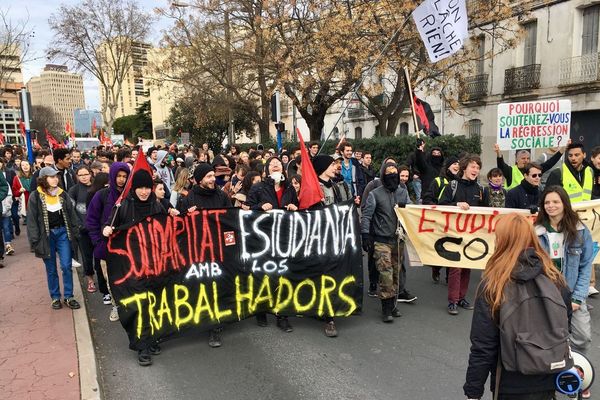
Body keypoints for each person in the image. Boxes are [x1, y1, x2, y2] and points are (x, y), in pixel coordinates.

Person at [464, 213, 571, 400]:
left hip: (509, 382)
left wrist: (473, 391)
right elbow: (565, 327)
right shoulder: (555, 279)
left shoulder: (493, 285)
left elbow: (483, 346)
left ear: (502, 241)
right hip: (548, 378)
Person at [535, 186, 594, 399]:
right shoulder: (536, 231)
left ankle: (579, 374)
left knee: (582, 337)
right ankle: (555, 380)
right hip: (546, 296)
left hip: (573, 295)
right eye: (547, 202)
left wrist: (578, 297)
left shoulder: (579, 230)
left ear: (564, 203)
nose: (551, 206)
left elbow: (586, 265)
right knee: (549, 340)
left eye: (555, 202)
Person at [104, 170, 166, 366]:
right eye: (140, 187)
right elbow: (109, 225)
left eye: (148, 187)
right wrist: (107, 229)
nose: (144, 191)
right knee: (139, 306)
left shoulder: (157, 205)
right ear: (134, 188)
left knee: (154, 303)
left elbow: (169, 226)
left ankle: (152, 338)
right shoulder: (123, 206)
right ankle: (142, 346)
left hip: (155, 264)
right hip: (132, 267)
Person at [178, 163, 231, 347]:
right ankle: (208, 323)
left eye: (212, 176)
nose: (212, 179)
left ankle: (216, 325)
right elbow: (179, 226)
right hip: (199, 252)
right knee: (204, 288)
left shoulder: (222, 196)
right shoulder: (189, 199)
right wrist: (186, 215)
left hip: (220, 251)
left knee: (218, 287)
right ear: (200, 179)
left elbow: (231, 220)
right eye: (208, 176)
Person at [247, 157, 298, 332]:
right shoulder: (258, 187)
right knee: (264, 274)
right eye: (271, 163)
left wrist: (293, 206)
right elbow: (247, 208)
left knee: (283, 275)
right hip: (263, 238)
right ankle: (261, 309)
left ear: (283, 168)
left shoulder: (289, 188)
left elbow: (297, 208)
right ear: (267, 170)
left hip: (283, 238)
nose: (275, 165)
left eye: (278, 163)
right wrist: (260, 206)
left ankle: (282, 314)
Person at [361, 162, 411, 322]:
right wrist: (365, 235)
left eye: (395, 173)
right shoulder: (375, 194)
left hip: (398, 240)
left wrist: (406, 207)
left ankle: (393, 304)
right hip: (381, 240)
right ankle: (386, 308)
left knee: (396, 273)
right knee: (386, 274)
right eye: (389, 173)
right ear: (383, 175)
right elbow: (367, 216)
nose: (393, 176)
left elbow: (412, 213)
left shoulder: (403, 193)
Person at [27, 167, 81, 310]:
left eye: (56, 176)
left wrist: (76, 232)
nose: (55, 179)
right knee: (51, 269)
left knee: (66, 266)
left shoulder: (63, 195)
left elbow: (72, 215)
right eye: (51, 177)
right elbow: (32, 220)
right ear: (44, 179)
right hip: (46, 236)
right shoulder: (35, 196)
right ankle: (55, 297)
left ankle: (69, 296)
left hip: (63, 233)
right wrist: (34, 240)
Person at [439, 154, 484, 315]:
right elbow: (440, 206)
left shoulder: (479, 189)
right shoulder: (452, 185)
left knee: (467, 268)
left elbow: (485, 211)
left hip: (472, 235)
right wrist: (456, 205)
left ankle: (461, 297)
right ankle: (452, 301)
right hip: (454, 233)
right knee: (455, 268)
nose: (476, 170)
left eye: (478, 168)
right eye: (473, 166)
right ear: (464, 167)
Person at [86, 162, 130, 323]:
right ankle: (116, 306)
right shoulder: (101, 195)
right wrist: (98, 241)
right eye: (118, 176)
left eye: (125, 176)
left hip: (127, 247)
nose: (121, 179)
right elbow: (91, 221)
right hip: (106, 247)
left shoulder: (130, 196)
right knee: (111, 280)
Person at [69, 166, 96, 293]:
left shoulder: (97, 188)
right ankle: (90, 280)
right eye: (81, 175)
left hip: (97, 229)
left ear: (90, 174)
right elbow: (71, 211)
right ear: (77, 177)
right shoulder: (74, 190)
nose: (84, 177)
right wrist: (79, 225)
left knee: (100, 255)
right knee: (87, 256)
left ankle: (103, 279)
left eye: (86, 174)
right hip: (83, 230)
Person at [495, 143, 564, 190]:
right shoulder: (510, 171)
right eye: (523, 158)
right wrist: (498, 153)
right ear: (516, 159)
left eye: (528, 158)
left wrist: (561, 151)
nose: (526, 160)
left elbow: (549, 164)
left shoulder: (534, 169)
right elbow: (501, 165)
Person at [12, 160, 32, 226]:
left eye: (26, 164)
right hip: (24, 203)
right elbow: (14, 192)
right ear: (20, 167)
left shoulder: (35, 176)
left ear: (30, 166)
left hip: (34, 202)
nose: (25, 166)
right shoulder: (17, 178)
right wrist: (19, 191)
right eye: (23, 165)